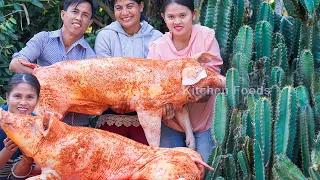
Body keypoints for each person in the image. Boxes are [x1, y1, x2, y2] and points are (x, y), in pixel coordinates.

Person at [147, 0, 223, 162]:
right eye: (171, 16)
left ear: (193, 15)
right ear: (164, 18)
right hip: (172, 122)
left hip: (205, 122)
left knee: (204, 169)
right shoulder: (158, 48)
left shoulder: (206, 37)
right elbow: (153, 88)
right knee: (174, 169)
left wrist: (203, 93)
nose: (177, 21)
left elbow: (213, 79)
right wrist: (163, 106)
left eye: (183, 15)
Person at [9, 0, 98, 127]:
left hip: (74, 127)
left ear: (89, 22)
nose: (79, 18)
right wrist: (46, 75)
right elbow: (15, 64)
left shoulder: (91, 57)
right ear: (63, 14)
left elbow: (91, 97)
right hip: (41, 122)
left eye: (85, 15)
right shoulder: (43, 40)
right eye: (75, 11)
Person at [94, 0, 162, 145]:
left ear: (141, 6)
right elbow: (104, 76)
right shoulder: (105, 36)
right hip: (113, 108)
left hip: (149, 111)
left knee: (147, 163)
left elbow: (158, 77)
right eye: (119, 8)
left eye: (130, 6)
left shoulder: (157, 37)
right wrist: (117, 99)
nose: (124, 13)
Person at [0, 73, 42, 179]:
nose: (23, 102)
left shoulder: (39, 126)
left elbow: (40, 167)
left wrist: (27, 159)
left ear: (37, 100)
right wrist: (8, 150)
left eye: (30, 97)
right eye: (17, 96)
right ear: (7, 97)